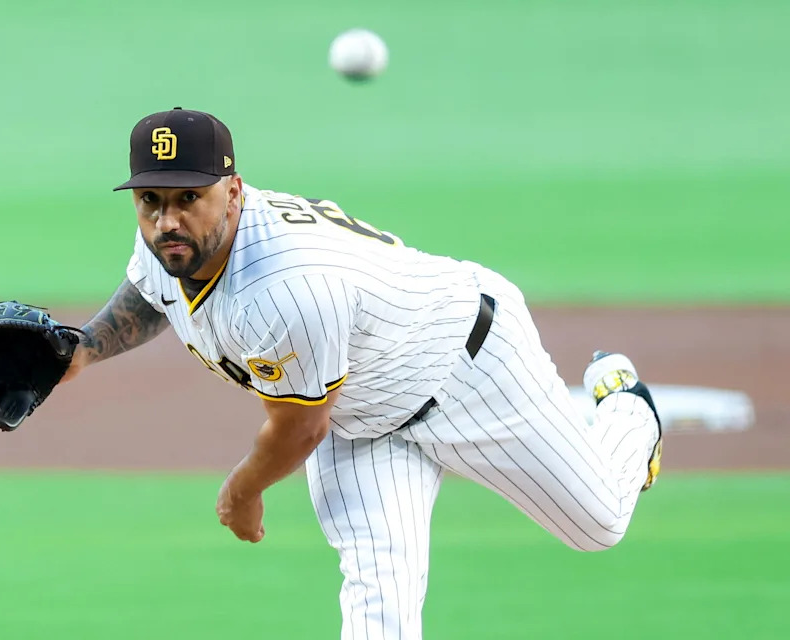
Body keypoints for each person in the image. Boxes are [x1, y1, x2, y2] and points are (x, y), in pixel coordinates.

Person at [61, 107, 663, 639]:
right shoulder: (173, 240)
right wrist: (81, 350)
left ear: (235, 191)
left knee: (600, 521)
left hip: (469, 366)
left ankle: (629, 407)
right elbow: (149, 291)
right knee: (381, 614)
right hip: (362, 420)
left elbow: (298, 431)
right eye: (151, 200)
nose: (167, 220)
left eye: (188, 197)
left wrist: (240, 494)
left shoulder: (283, 289)